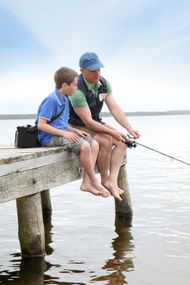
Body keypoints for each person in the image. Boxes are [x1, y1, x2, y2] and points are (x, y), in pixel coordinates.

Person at [69, 52, 141, 201]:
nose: (97, 73)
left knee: (123, 140)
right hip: (76, 124)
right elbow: (88, 122)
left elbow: (114, 108)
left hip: (95, 121)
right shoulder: (77, 90)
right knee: (107, 140)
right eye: (92, 70)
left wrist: (128, 128)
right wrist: (112, 133)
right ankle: (104, 178)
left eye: (98, 69)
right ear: (82, 70)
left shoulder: (104, 83)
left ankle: (111, 180)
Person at [36, 66, 110, 198]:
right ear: (65, 85)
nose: (76, 88)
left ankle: (86, 183)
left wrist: (75, 131)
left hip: (60, 133)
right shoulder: (51, 99)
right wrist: (65, 133)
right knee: (85, 146)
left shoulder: (65, 99)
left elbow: (63, 125)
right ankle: (94, 181)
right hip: (48, 138)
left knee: (94, 144)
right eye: (75, 85)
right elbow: (41, 125)